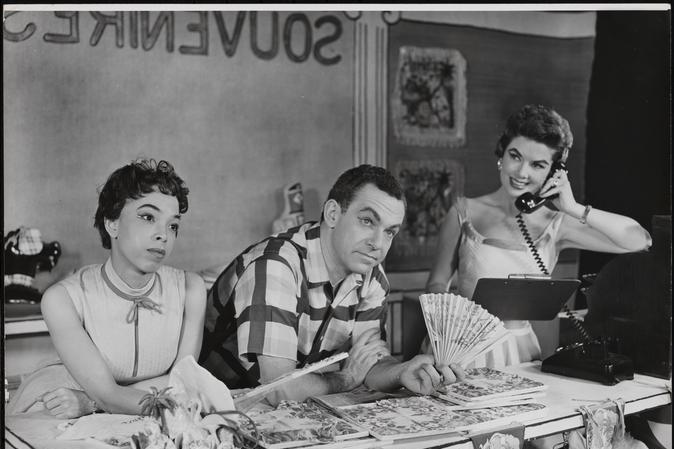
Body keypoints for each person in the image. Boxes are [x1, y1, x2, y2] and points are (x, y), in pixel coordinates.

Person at [200, 164, 458, 404]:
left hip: (294, 408)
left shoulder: (371, 276)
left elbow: (368, 364)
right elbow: (278, 389)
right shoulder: (277, 265)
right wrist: (345, 379)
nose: (378, 244)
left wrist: (404, 370)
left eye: (390, 231)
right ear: (333, 214)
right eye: (367, 221)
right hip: (218, 408)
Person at [426, 104, 652, 365]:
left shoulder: (558, 224)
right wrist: (449, 320)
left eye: (538, 165)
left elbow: (640, 240)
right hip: (458, 348)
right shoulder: (463, 211)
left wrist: (573, 208)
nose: (522, 172)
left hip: (517, 352)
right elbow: (436, 283)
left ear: (554, 173)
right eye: (515, 156)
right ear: (502, 154)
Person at [11, 158, 207, 419]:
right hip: (60, 403)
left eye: (173, 225)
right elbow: (109, 394)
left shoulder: (191, 289)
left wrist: (91, 401)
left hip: (89, 402)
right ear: (112, 224)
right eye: (148, 217)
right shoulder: (62, 298)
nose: (164, 235)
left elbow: (184, 384)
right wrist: (104, 398)